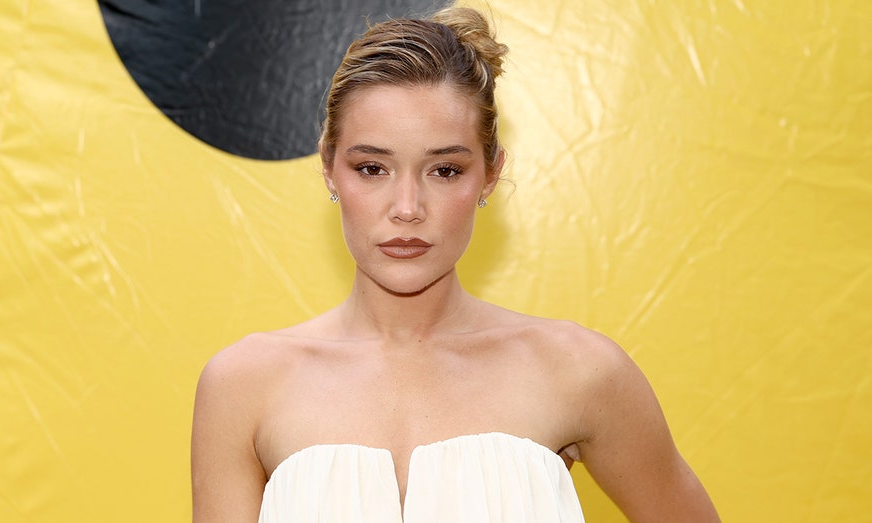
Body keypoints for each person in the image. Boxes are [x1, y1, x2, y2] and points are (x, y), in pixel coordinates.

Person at [191, 6, 720, 522]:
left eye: (444, 170)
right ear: (329, 166)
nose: (407, 208)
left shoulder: (579, 372)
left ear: (490, 174)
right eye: (372, 168)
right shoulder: (243, 385)